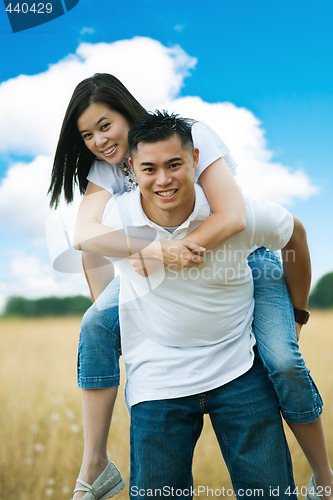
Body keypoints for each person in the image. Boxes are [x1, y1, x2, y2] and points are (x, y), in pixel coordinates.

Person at [47, 76, 332, 499]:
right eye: (86, 134)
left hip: (244, 255)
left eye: (105, 126)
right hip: (155, 258)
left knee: (283, 359)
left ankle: (323, 478)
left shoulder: (190, 133)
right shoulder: (105, 169)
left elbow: (232, 215)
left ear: (127, 111)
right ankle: (95, 463)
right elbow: (85, 237)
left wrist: (172, 249)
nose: (98, 141)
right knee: (95, 325)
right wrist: (141, 272)